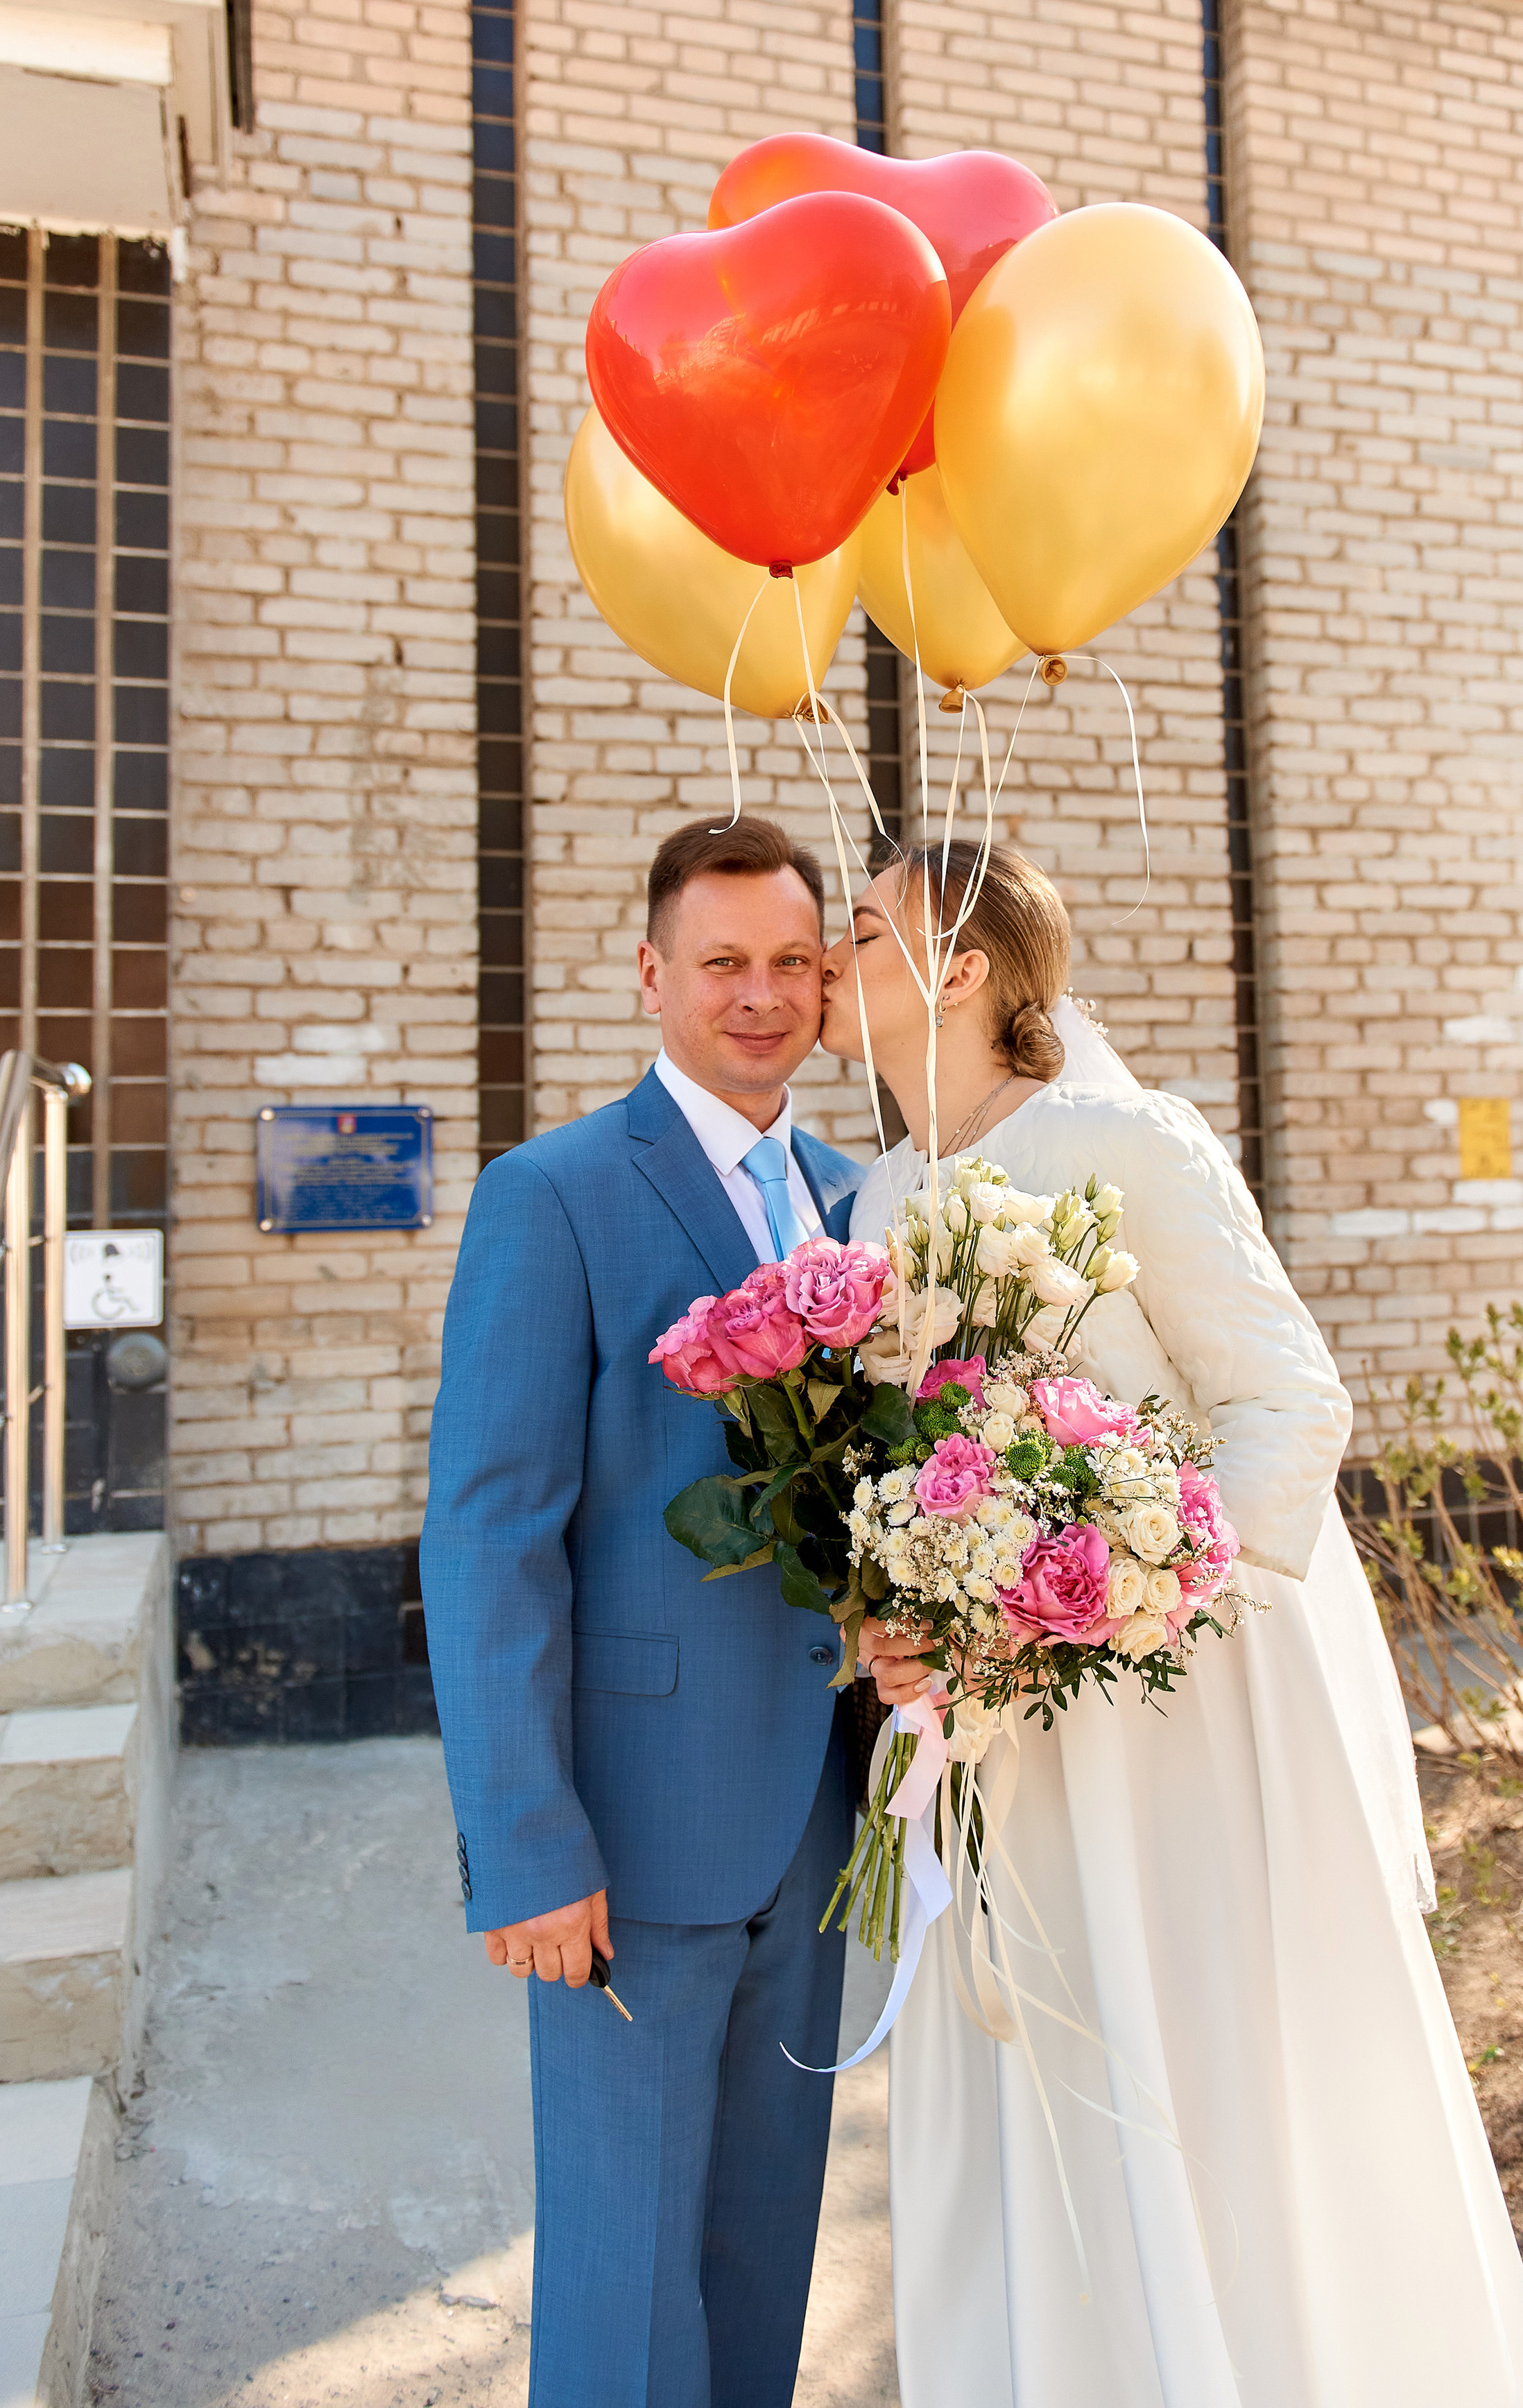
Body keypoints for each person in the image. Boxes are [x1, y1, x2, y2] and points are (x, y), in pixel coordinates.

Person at [822, 837, 1523, 2408]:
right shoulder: (878, 1192)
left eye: (862, 929)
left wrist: (1084, 1599)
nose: (829, 956)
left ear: (958, 970)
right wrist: (893, 1622)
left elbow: (1288, 1409)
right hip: (986, 1740)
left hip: (1169, 1710)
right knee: (1027, 2082)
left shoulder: (1123, 1141)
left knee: (1188, 2073)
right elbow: (898, 1476)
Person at [421, 814, 864, 2408]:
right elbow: (488, 1543)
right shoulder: (553, 1196)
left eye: (791, 963)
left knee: (762, 2242)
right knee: (622, 2278)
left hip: (811, 1826)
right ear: (650, 976)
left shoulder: (854, 1198)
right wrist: (527, 1847)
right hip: (625, 1846)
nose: (760, 996)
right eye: (722, 963)